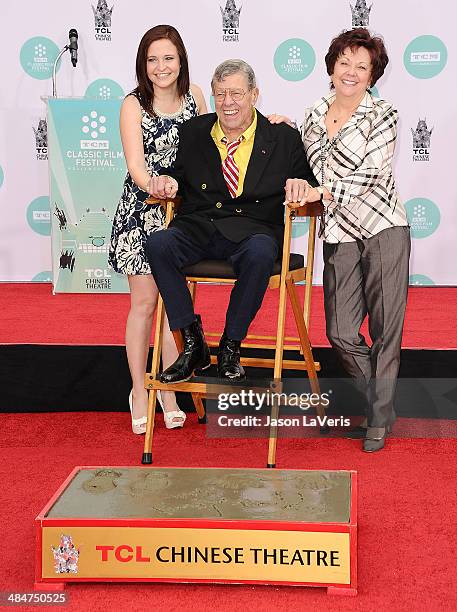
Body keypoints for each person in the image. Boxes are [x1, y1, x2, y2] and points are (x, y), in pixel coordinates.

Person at [145, 59, 317, 384]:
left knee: (261, 253)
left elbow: (306, 181)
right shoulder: (194, 132)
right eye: (220, 94)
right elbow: (179, 174)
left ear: (254, 94)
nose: (228, 103)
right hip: (200, 225)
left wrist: (303, 188)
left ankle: (230, 344)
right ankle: (192, 340)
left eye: (236, 93)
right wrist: (168, 182)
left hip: (254, 231)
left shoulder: (282, 137)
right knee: (158, 244)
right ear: (212, 95)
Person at [294, 28, 410, 452]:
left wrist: (323, 191)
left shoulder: (385, 114)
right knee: (341, 332)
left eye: (362, 66)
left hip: (384, 227)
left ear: (372, 76)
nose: (352, 72)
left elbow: (372, 172)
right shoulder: (310, 115)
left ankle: (378, 416)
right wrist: (277, 127)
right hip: (339, 232)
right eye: (345, 62)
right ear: (331, 67)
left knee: (385, 329)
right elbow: (301, 163)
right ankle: (384, 400)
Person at [108, 25, 207, 434]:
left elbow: (211, 148)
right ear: (143, 65)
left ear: (180, 60)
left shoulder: (197, 97)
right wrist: (157, 185)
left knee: (174, 311)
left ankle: (168, 389)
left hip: (183, 218)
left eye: (168, 58)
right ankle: (138, 390)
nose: (161, 67)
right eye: (152, 59)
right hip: (142, 213)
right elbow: (136, 166)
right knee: (146, 305)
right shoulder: (133, 104)